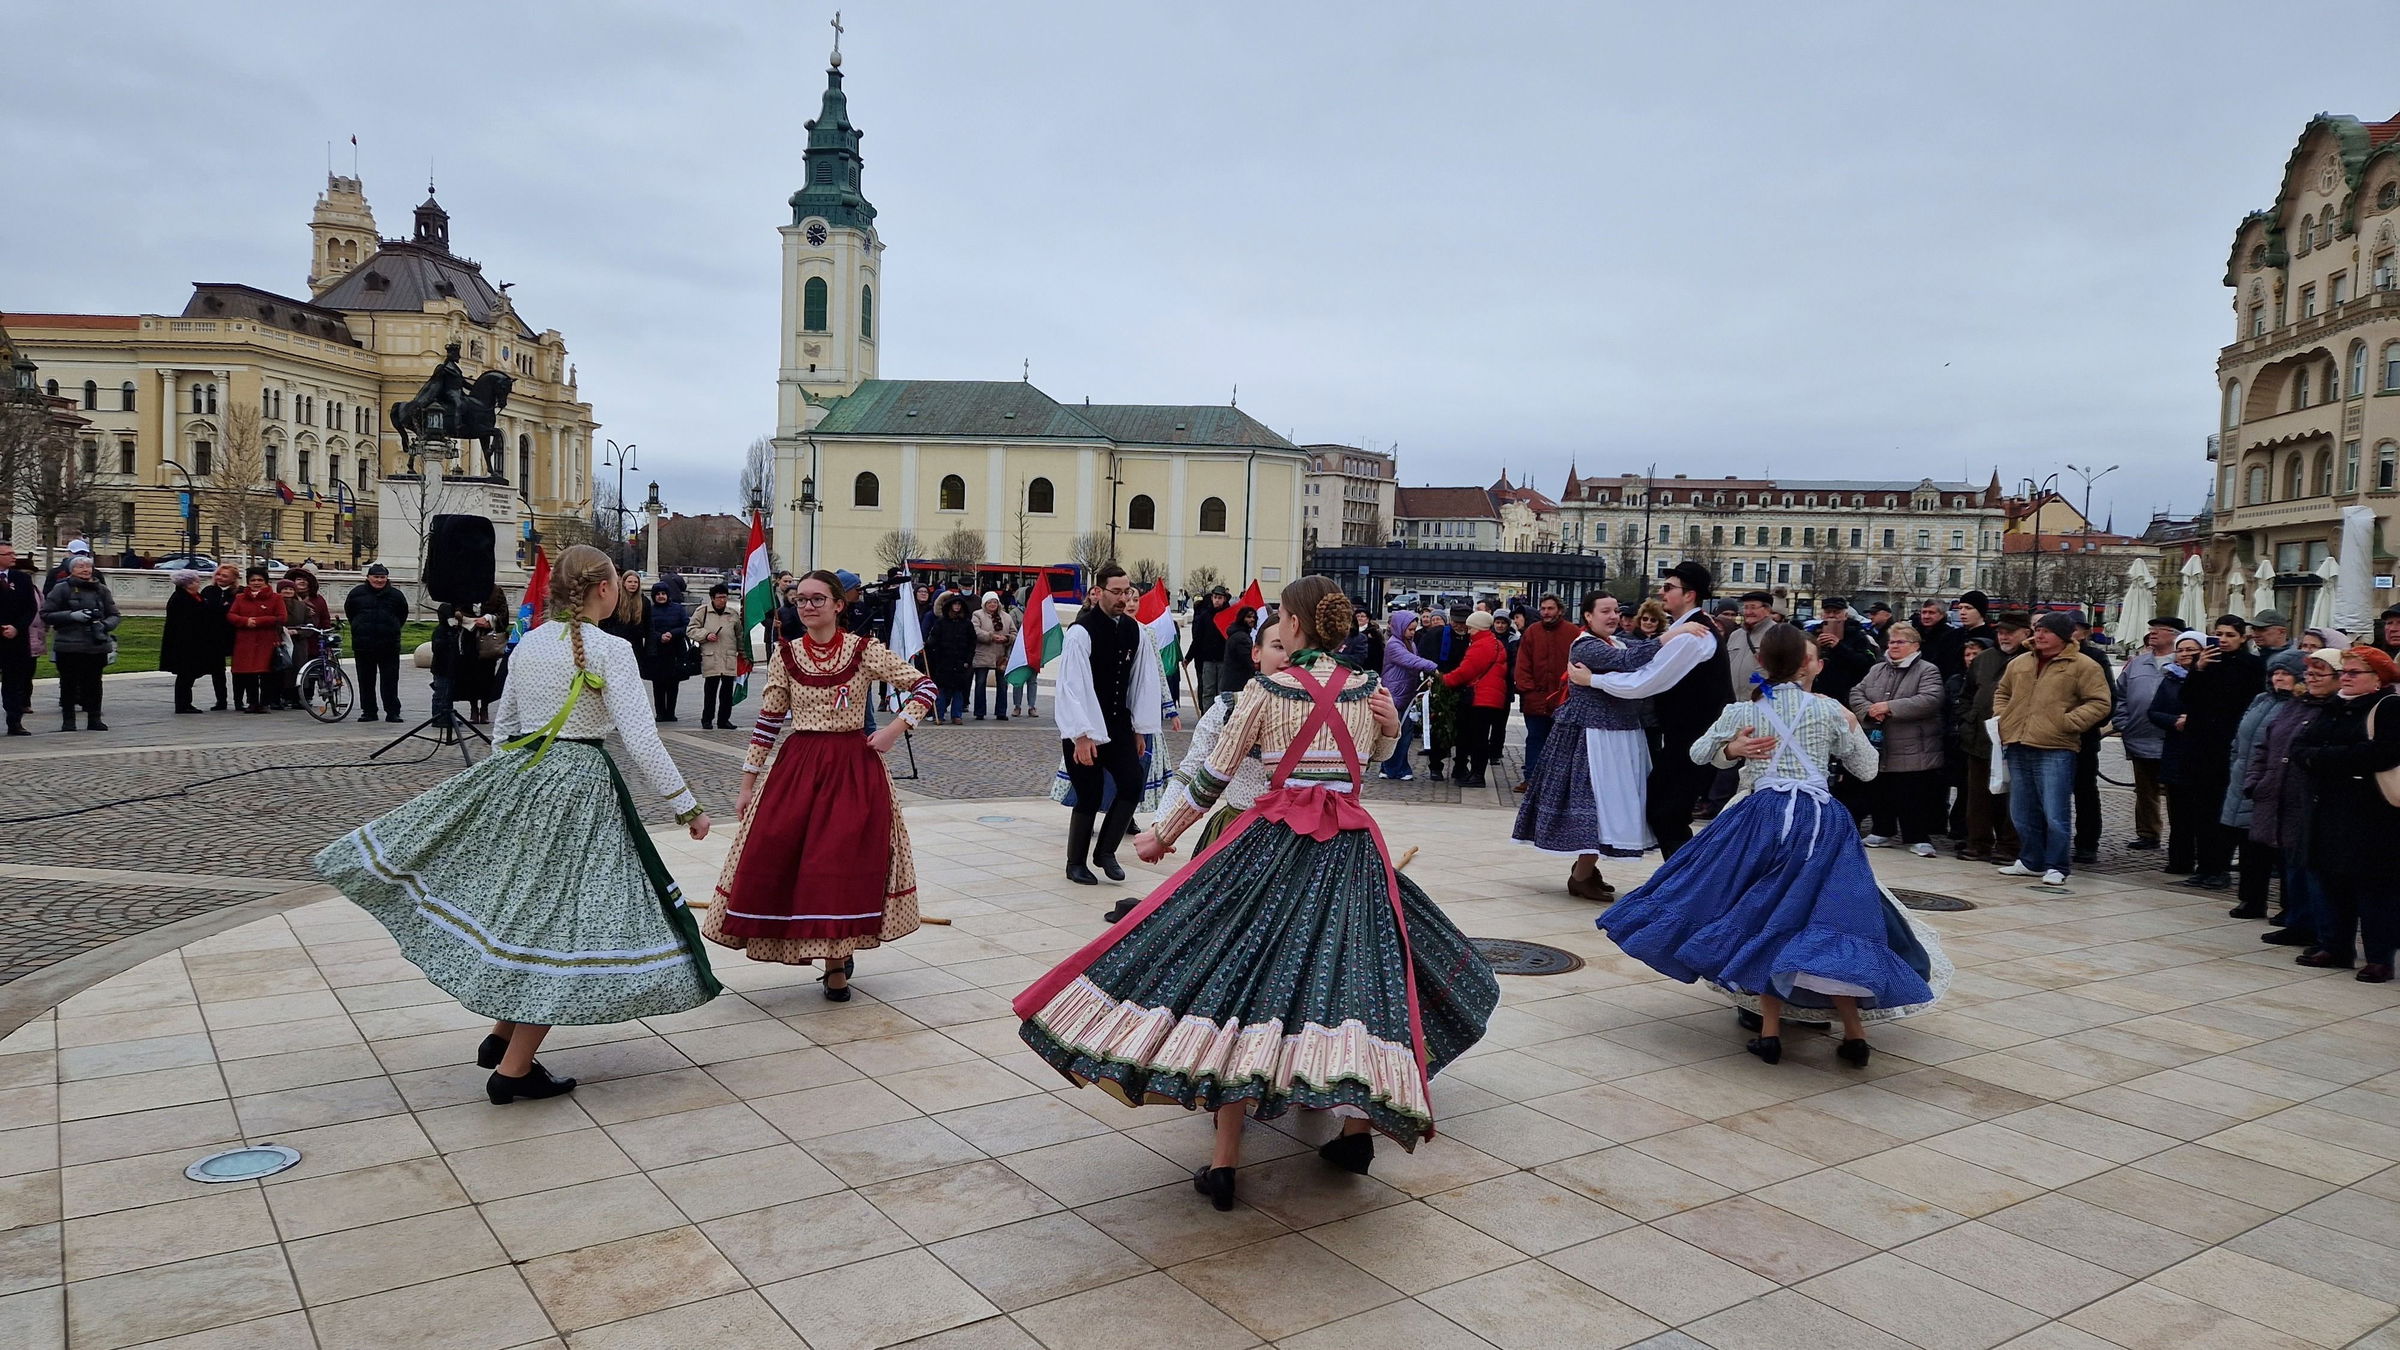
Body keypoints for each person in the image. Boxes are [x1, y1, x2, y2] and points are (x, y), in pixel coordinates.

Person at [1017, 575, 1498, 1207]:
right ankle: (1357, 1132)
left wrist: (1162, 834)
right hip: (1350, 851)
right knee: (1356, 975)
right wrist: (1388, 731)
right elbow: (1370, 763)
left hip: (1273, 847)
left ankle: (1225, 1162)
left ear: (1293, 625)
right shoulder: (1366, 688)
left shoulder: (1265, 690)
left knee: (1242, 977)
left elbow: (1213, 776)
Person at [314, 544, 718, 1103]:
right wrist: (686, 805)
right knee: (564, 922)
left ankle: (502, 1035)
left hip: (525, 776)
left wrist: (506, 794)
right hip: (579, 789)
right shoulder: (611, 649)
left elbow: (505, 726)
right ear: (605, 588)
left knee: (532, 907)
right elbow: (641, 738)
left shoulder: (529, 643)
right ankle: (514, 1069)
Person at [1600, 623, 1950, 1068]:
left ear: (1761, 662)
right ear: (1807, 664)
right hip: (1821, 823)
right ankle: (1850, 1029)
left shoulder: (1744, 710)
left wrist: (1733, 749)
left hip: (1761, 820)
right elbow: (1866, 769)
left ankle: (1768, 1025)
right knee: (1828, 914)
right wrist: (1851, 725)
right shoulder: (1828, 710)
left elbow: (1697, 753)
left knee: (1762, 914)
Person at [704, 568, 936, 998]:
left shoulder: (864, 650)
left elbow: (924, 687)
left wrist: (893, 730)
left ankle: (835, 964)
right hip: (801, 766)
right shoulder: (786, 654)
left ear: (838, 605)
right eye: (800, 599)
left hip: (853, 768)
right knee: (789, 855)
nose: (807, 606)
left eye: (817, 599)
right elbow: (768, 722)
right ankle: (821, 949)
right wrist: (746, 784)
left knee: (839, 863)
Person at [1514, 591, 1671, 900]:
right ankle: (1582, 876)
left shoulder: (1616, 642)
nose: (1613, 616)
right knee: (1598, 805)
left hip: (1618, 736)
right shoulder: (1586, 646)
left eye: (1616, 611)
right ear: (1588, 616)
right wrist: (1674, 635)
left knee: (1609, 805)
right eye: (1605, 611)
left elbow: (1637, 653)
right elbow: (1628, 660)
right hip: (1592, 740)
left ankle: (1585, 870)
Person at [1054, 566, 1171, 886]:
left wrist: (1140, 729)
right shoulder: (1081, 632)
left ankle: (1105, 852)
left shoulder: (1134, 631)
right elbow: (1072, 687)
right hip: (1085, 728)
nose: (1123, 598)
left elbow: (1141, 681)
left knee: (1132, 784)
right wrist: (1081, 736)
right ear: (1098, 592)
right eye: (1116, 592)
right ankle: (1076, 863)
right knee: (1089, 795)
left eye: (1127, 592)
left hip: (1119, 726)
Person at [2291, 645, 2400, 980]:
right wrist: (2332, 757)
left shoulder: (2389, 706)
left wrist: (2325, 758)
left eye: (2354, 673)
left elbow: (2381, 753)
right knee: (2331, 880)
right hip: (2328, 807)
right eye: (2344, 672)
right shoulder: (2334, 705)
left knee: (2373, 888)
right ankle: (2335, 946)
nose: (2346, 678)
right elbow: (2300, 746)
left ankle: (2379, 957)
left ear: (2377, 679)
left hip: (2373, 812)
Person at [1992, 612, 2114, 887]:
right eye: (2038, 629)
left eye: (2046, 631)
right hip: (2018, 742)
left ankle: (2057, 865)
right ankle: (2031, 860)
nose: (2040, 635)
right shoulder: (2020, 662)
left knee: (2055, 811)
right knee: (2022, 810)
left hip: (2056, 746)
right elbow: (2002, 692)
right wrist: (2003, 717)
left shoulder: (2084, 665)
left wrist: (2067, 722)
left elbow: (2099, 702)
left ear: (2063, 636)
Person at [1636, 563, 1733, 858]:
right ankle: (1684, 878)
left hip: (1696, 741)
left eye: (1668, 587)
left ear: (1689, 595)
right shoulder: (1685, 629)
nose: (1661, 592)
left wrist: (1594, 680)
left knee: (1667, 813)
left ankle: (1690, 879)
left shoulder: (1694, 635)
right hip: (1685, 740)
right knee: (1662, 809)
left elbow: (1646, 680)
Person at [2249, 651, 2339, 949]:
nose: (2311, 679)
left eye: (2319, 674)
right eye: (2309, 674)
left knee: (2314, 869)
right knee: (2292, 864)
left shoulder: (2336, 708)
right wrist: (2256, 781)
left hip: (2314, 799)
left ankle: (2322, 932)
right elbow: (2265, 744)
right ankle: (2298, 923)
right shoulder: (2295, 705)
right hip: (2281, 794)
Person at [2171, 615, 2264, 889]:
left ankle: (2219, 868)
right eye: (2219, 634)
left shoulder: (2252, 665)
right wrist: (2198, 669)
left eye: (2230, 635)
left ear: (2242, 638)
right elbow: (2187, 698)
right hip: (2199, 744)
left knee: (2222, 810)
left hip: (2228, 745)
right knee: (2200, 809)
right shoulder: (2206, 662)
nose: (2223, 640)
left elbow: (2249, 702)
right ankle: (2204, 866)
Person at [2222, 651, 2308, 922]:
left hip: (2275, 784)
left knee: (2281, 849)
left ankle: (2288, 906)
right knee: (2250, 845)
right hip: (2246, 779)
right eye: (2275, 673)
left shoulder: (2300, 705)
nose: (2278, 678)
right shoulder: (2261, 700)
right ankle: (2251, 899)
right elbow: (2241, 739)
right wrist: (2237, 766)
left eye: (2285, 673)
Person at [1848, 622, 1947, 856]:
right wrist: (1869, 710)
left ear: (1915, 645)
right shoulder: (1877, 669)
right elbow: (1856, 692)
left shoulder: (1927, 670)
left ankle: (1917, 837)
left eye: (1900, 642)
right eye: (1891, 642)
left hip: (1914, 745)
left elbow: (1930, 699)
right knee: (1881, 790)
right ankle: (1882, 830)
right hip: (1881, 742)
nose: (1893, 646)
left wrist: (1890, 707)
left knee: (1911, 793)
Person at [1957, 612, 2027, 863]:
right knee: (1978, 795)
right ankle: (1978, 842)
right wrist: (1968, 718)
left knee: (2013, 796)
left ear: (2025, 633)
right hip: (1980, 736)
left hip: (2016, 738)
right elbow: (1966, 694)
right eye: (2000, 632)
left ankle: (2010, 845)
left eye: (2010, 632)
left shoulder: (2031, 659)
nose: (2004, 637)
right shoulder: (1984, 659)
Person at [2114, 616, 2182, 851]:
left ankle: (2181, 837)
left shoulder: (2183, 662)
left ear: (2175, 635)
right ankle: (2147, 833)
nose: (2153, 632)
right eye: (2151, 629)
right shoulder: (2137, 663)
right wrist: (2123, 722)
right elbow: (2120, 694)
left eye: (2160, 629)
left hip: (2172, 739)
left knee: (2177, 792)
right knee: (2145, 790)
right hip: (2139, 736)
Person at [42, 554, 119, 731]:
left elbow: (114, 614)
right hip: (68, 645)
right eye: (80, 567)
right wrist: (71, 616)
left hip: (96, 644)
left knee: (94, 683)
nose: (85, 570)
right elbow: (46, 614)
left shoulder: (101, 590)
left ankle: (94, 718)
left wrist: (104, 625)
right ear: (71, 570)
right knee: (68, 683)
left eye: (88, 567)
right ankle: (69, 720)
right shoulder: (61, 589)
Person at [1511, 594, 1573, 789]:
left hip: (1563, 698)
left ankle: (1556, 782)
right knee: (1535, 738)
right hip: (1536, 697)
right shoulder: (1532, 632)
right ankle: (1531, 778)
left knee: (1561, 743)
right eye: (1543, 608)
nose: (1546, 612)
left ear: (1560, 610)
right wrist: (1528, 689)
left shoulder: (1572, 632)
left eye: (1550, 608)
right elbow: (1522, 663)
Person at [1441, 611, 1508, 788]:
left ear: (1479, 628)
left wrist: (1444, 680)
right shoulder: (1495, 642)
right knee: (1479, 736)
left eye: (1471, 628)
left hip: (1481, 696)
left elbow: (1466, 670)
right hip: (1490, 696)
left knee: (1478, 738)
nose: (1468, 631)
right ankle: (1474, 773)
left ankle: (1477, 775)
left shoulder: (1481, 645)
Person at [1378, 611, 1439, 781]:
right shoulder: (1394, 645)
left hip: (1406, 694)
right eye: (1410, 629)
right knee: (1399, 734)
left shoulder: (1409, 643)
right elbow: (1411, 660)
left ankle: (1392, 767)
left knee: (1403, 733)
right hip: (1395, 694)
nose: (1413, 632)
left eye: (1414, 629)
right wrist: (1434, 667)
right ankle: (1394, 769)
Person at [345, 564, 409, 723]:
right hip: (363, 644)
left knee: (390, 680)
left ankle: (392, 712)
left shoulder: (396, 595)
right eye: (376, 577)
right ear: (368, 577)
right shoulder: (356, 593)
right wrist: (359, 627)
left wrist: (392, 628)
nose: (379, 580)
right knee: (365, 680)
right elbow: (350, 613)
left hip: (389, 645)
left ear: (387, 578)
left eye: (382, 577)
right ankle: (369, 711)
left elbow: (402, 615)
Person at [1416, 604, 1472, 779]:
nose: (1460, 626)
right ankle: (1435, 765)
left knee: (1464, 729)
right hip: (1440, 686)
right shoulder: (1436, 634)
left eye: (1463, 623)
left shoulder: (1473, 636)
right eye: (1456, 622)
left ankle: (1461, 766)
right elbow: (1424, 658)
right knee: (1439, 728)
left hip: (1465, 687)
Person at [687, 583, 750, 729]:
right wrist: (706, 635)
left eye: (724, 597)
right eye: (719, 597)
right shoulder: (702, 611)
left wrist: (744, 654)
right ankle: (707, 719)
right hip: (711, 657)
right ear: (712, 598)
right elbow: (690, 629)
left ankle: (724, 720)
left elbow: (739, 636)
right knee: (710, 691)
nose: (722, 600)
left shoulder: (732, 614)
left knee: (727, 692)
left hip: (729, 657)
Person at [226, 568, 286, 715]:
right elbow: (231, 615)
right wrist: (245, 621)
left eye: (260, 580)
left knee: (266, 674)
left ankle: (265, 703)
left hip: (267, 640)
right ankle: (252, 702)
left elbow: (281, 617)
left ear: (266, 582)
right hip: (245, 640)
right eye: (253, 580)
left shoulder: (276, 598)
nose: (256, 583)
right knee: (248, 673)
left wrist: (258, 621)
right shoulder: (240, 598)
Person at [449, 585, 509, 724]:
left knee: (487, 675)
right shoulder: (464, 589)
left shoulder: (496, 590)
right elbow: (455, 610)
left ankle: (485, 707)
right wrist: (469, 620)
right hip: (469, 639)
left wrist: (489, 620)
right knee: (470, 675)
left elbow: (503, 614)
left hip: (488, 640)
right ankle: (474, 708)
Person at [600, 572, 655, 707]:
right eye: (630, 582)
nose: (633, 585)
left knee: (631, 680)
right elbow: (605, 622)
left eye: (635, 582)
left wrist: (650, 650)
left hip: (635, 647)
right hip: (615, 645)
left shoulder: (644, 602)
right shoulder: (615, 600)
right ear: (623, 583)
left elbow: (649, 627)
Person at [0, 544, 37, 734]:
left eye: (13, 553)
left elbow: (30, 608)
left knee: (14, 683)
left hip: (16, 640)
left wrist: (16, 627)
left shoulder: (22, 579)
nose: (13, 557)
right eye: (8, 554)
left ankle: (14, 722)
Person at [283, 570, 333, 710]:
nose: (302, 582)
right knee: (288, 668)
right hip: (289, 639)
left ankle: (305, 696)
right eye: (298, 579)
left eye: (305, 579)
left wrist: (325, 633)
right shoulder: (285, 599)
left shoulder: (318, 600)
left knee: (309, 671)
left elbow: (325, 619)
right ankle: (288, 696)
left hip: (312, 641)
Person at [925, 592, 977, 724]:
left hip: (961, 661)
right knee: (942, 690)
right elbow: (933, 640)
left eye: (959, 604)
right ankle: (939, 714)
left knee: (958, 690)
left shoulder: (967, 623)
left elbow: (972, 642)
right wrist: (932, 653)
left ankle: (956, 715)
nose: (957, 606)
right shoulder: (941, 622)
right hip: (944, 662)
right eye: (955, 604)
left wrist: (968, 660)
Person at [645, 583, 689, 722]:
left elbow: (686, 625)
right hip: (657, 651)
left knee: (673, 683)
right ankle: (660, 713)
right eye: (658, 594)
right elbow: (646, 629)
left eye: (663, 594)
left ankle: (670, 712)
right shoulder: (649, 611)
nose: (661, 596)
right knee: (658, 684)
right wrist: (660, 636)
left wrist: (672, 633)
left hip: (675, 650)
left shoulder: (678, 609)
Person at [971, 591, 1016, 721]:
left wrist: (1007, 638)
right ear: (984, 603)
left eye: (995, 602)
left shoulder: (1006, 617)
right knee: (980, 683)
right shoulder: (977, 615)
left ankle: (1001, 711)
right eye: (989, 602)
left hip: (1001, 655)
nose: (992, 604)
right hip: (983, 654)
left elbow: (1014, 633)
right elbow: (975, 631)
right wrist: (991, 636)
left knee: (1002, 684)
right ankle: (979, 711)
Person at [1188, 584, 1227, 707]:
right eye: (1215, 597)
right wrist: (1188, 657)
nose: (1217, 600)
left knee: (1222, 692)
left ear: (1224, 599)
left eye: (1220, 598)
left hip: (1223, 660)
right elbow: (1197, 639)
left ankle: (1221, 716)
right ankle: (1207, 715)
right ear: (1211, 598)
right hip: (1208, 660)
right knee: (1208, 691)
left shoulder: (1229, 615)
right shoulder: (1205, 616)